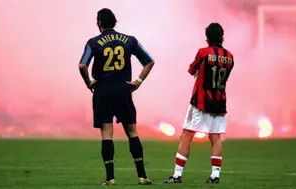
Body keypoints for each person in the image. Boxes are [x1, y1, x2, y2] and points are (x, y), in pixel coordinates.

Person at [78, 8, 155, 186]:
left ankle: (110, 178)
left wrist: (89, 82)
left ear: (99, 23)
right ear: (115, 22)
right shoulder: (129, 40)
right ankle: (142, 176)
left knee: (107, 134)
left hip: (103, 91)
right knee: (132, 132)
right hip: (123, 90)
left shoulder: (93, 42)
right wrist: (138, 81)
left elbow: (82, 65)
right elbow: (149, 61)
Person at [163, 23, 234, 184]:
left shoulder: (203, 52)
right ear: (222, 36)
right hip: (219, 103)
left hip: (200, 102)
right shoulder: (230, 56)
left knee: (187, 135)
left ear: (207, 37)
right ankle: (215, 176)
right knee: (215, 138)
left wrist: (199, 72)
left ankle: (177, 175)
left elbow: (191, 70)